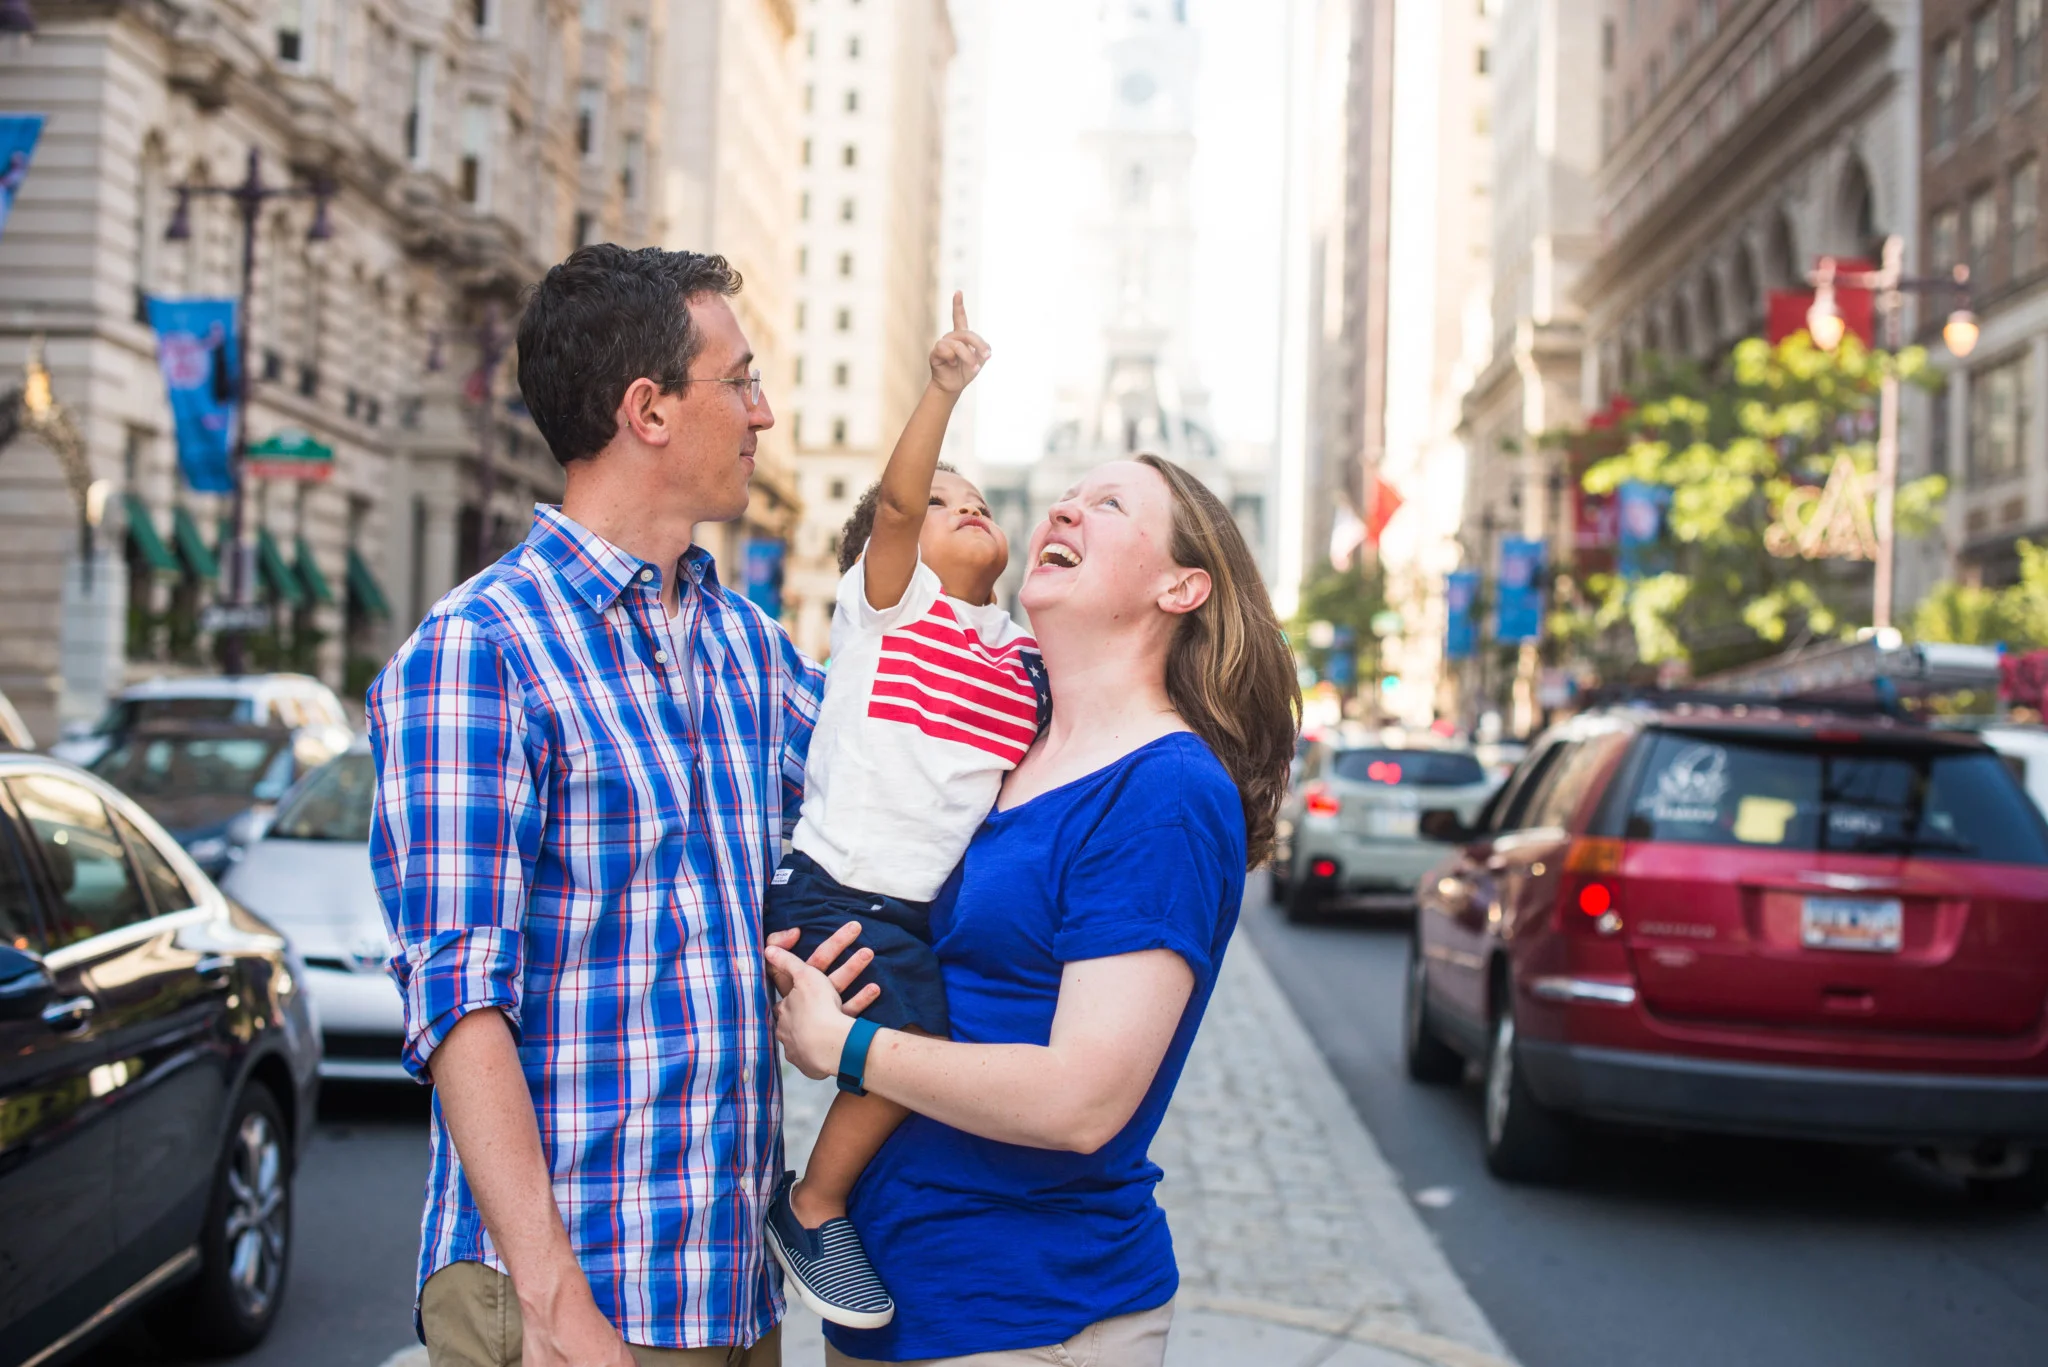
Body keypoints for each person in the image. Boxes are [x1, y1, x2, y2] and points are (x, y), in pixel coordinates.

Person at [368, 245, 846, 1367]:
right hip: (578, 1300)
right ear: (649, 410)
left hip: (730, 1293)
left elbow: (884, 795)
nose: (763, 413)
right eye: (739, 381)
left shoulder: (745, 647)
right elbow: (458, 999)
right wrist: (548, 1302)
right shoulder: (479, 653)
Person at [769, 454, 1300, 1366]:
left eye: (1108, 504)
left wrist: (848, 1046)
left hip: (1028, 1314)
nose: (1065, 508)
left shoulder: (1164, 790)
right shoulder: (1010, 738)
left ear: (1182, 586)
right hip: (896, 1293)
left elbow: (1082, 1101)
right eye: (1067, 495)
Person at [761, 295, 1029, 1330]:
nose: (965, 507)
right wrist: (944, 389)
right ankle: (812, 1206)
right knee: (910, 1045)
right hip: (841, 884)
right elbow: (898, 507)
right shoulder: (890, 608)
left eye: (980, 502)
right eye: (943, 501)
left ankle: (831, 1197)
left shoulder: (1015, 654)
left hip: (919, 908)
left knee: (922, 1045)